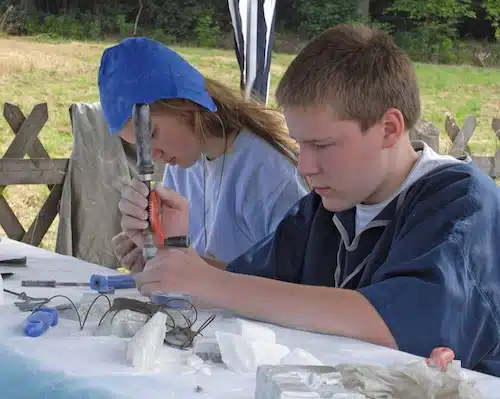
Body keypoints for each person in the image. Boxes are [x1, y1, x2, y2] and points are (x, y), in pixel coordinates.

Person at [123, 25, 500, 377]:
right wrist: (173, 252)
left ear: (389, 129)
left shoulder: (460, 204)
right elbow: (245, 287)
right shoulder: (324, 209)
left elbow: (397, 322)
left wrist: (212, 284)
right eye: (301, 145)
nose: (305, 166)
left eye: (322, 145)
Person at [98, 37, 308, 270]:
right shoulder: (183, 165)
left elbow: (293, 281)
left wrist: (174, 260)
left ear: (185, 105)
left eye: (152, 135)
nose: (153, 155)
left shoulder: (266, 170)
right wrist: (152, 253)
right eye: (139, 147)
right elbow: (185, 254)